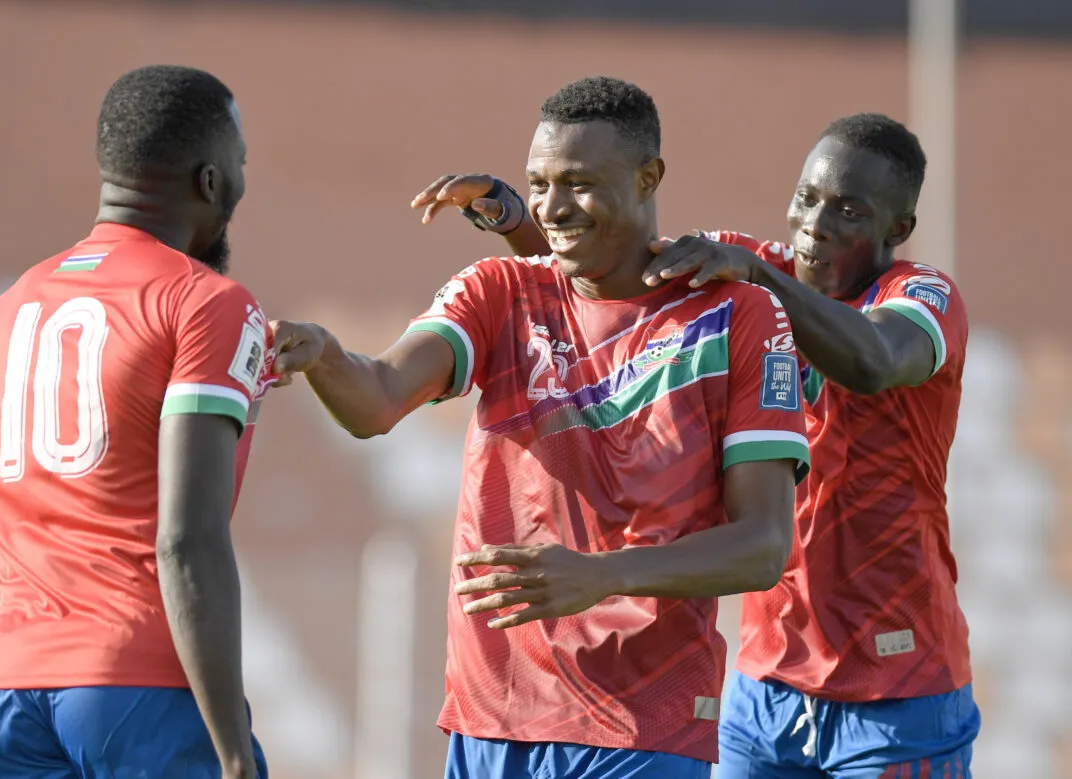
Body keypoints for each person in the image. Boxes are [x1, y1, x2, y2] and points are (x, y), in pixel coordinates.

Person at [269, 76, 809, 778]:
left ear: (649, 177)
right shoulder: (500, 292)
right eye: (539, 183)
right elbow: (378, 399)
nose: (553, 208)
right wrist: (328, 356)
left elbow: (763, 546)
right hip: (494, 718)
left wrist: (601, 577)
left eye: (578, 184)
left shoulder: (737, 314)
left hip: (647, 727)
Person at [415, 113, 980, 777]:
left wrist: (761, 283)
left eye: (848, 211)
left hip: (898, 689)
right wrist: (514, 217)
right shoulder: (744, 267)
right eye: (807, 197)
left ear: (897, 229)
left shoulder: (921, 296)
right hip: (762, 690)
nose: (815, 225)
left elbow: (874, 361)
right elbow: (611, 280)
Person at [0, 65, 271, 779]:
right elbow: (186, 540)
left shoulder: (1, 314)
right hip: (138, 684)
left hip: (1, 693)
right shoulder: (205, 302)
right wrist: (235, 753)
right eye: (240, 167)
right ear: (211, 181)